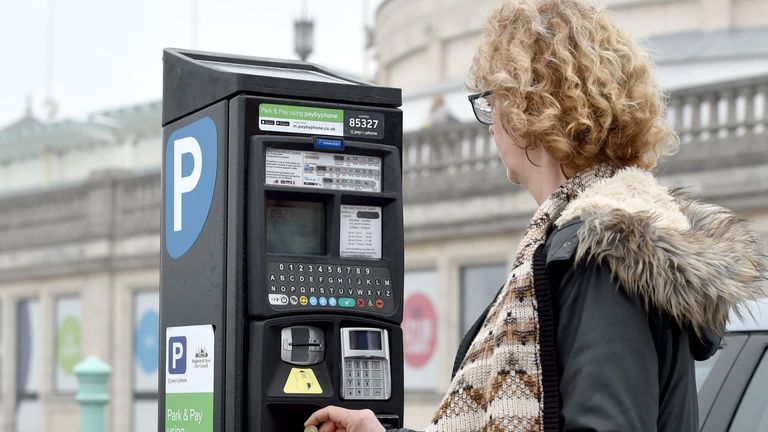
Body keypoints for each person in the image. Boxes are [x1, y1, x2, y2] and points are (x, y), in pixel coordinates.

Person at [305, 0, 768, 431]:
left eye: (491, 100)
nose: (490, 124)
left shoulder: (600, 251)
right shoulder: (591, 239)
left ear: (527, 106)